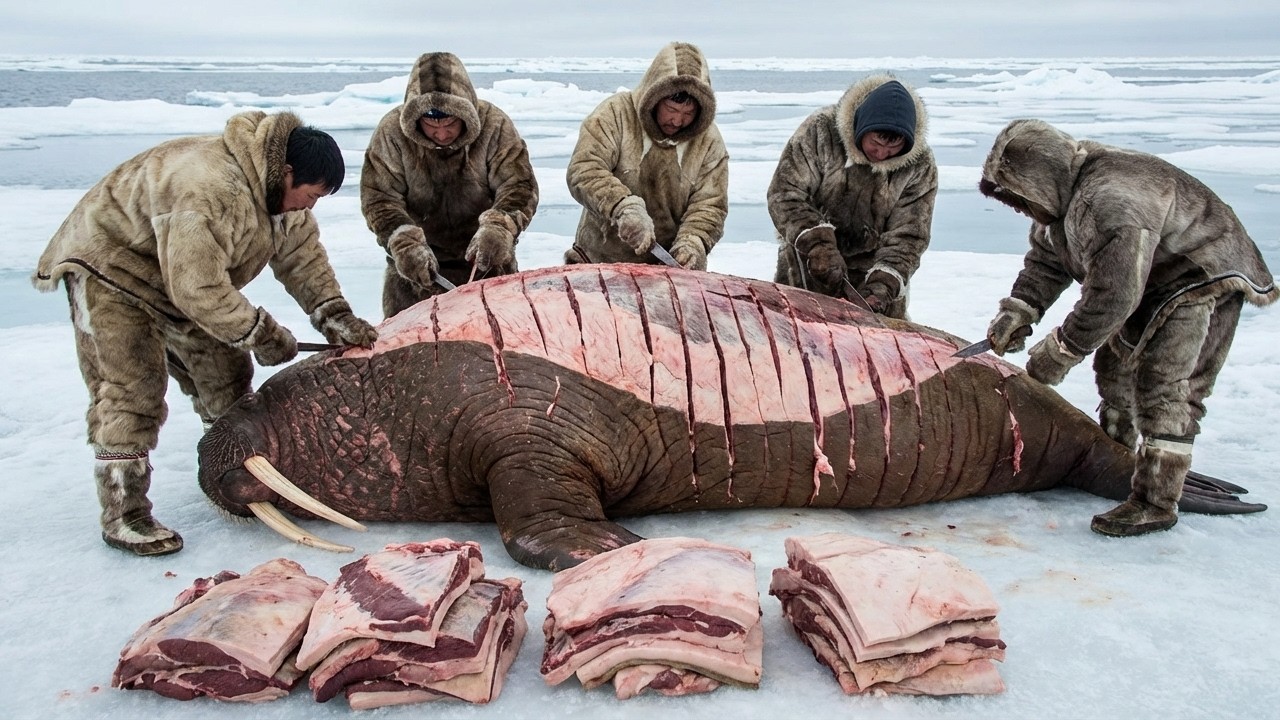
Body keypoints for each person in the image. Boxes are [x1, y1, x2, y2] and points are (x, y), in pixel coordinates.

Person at [32, 110, 379, 556]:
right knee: (132, 391)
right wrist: (261, 333)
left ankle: (228, 473)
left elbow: (303, 260)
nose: (309, 207)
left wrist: (335, 316)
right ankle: (125, 513)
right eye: (309, 195)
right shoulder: (210, 188)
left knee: (227, 378)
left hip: (183, 281)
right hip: (114, 272)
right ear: (287, 172)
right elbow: (196, 288)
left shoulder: (281, 199)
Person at [978, 118, 1277, 536]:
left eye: (1018, 197)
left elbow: (1113, 295)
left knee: (1165, 386)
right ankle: (1120, 462)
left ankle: (1155, 500)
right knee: (1114, 371)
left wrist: (1061, 350)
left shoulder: (1112, 201)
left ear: (1040, 180)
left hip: (1199, 275)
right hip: (1149, 277)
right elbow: (1047, 262)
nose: (1015, 207)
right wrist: (1021, 310)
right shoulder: (1058, 201)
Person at [363, 51, 539, 318]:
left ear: (464, 112)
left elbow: (519, 185)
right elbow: (379, 198)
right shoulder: (391, 133)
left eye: (450, 123)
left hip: (488, 264)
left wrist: (500, 227)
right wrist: (403, 243)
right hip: (415, 274)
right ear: (415, 118)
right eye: (431, 125)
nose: (442, 134)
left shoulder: (495, 125)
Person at [769, 75, 937, 319]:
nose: (881, 154)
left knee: (875, 349)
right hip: (809, 261)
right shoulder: (819, 132)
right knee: (798, 341)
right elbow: (785, 194)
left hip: (874, 272)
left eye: (893, 149)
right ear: (861, 128)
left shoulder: (919, 165)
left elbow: (909, 235)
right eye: (876, 143)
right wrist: (818, 245)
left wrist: (884, 283)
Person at [565, 41, 728, 270]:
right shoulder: (615, 114)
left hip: (670, 272)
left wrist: (693, 242)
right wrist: (622, 207)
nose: (678, 121)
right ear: (655, 98)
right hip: (598, 262)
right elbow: (584, 169)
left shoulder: (709, 141)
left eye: (688, 113)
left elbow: (710, 204)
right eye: (671, 110)